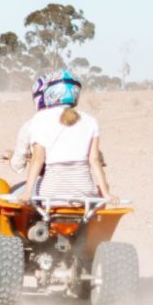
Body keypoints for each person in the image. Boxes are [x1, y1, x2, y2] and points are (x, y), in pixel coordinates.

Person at [19, 70, 114, 205]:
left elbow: (38, 159)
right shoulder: (91, 121)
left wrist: (27, 192)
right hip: (83, 194)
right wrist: (106, 193)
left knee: (23, 194)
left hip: (51, 193)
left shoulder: (40, 118)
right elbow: (94, 160)